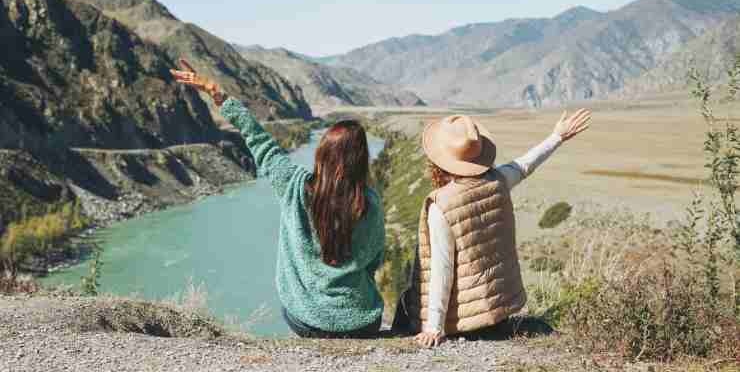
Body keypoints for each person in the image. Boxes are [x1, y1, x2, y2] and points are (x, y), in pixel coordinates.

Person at [170, 59, 384, 338]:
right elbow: (374, 260)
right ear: (360, 160)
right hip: (360, 322)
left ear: (321, 154)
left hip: (306, 319)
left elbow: (258, 139)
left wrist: (214, 91)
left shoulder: (294, 185)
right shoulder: (369, 203)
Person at [393, 110, 591, 347]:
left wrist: (434, 328)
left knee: (407, 302)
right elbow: (525, 165)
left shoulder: (441, 205)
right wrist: (556, 136)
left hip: (462, 321)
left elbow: (442, 268)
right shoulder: (498, 181)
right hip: (498, 312)